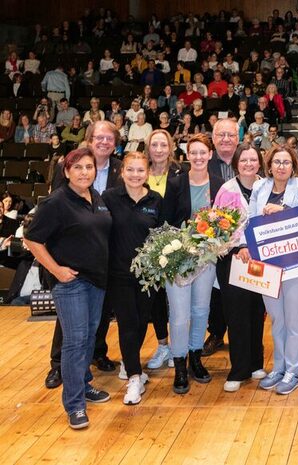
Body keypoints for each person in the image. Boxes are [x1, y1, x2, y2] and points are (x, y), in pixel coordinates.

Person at [25, 148, 113, 429]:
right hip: (71, 283)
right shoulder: (57, 202)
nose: (85, 172)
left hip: (97, 280)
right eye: (78, 168)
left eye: (89, 167)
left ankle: (84, 384)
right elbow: (32, 239)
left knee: (88, 337)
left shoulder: (94, 197)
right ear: (66, 172)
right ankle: (74, 404)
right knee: (75, 342)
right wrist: (56, 270)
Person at [45, 121, 123, 390]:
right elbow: (54, 205)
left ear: (115, 143)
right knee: (70, 322)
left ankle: (96, 354)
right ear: (89, 140)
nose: (104, 142)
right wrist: (56, 266)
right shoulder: (68, 166)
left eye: (109, 138)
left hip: (102, 250)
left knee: (97, 313)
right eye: (99, 138)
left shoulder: (118, 168)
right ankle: (58, 365)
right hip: (70, 258)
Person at [242, 145, 298, 395]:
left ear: (294, 166)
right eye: (277, 162)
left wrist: (282, 211)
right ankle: (279, 367)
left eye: (286, 162)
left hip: (297, 264)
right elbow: (250, 221)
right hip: (267, 264)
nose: (281, 166)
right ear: (269, 166)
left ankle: (294, 370)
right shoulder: (259, 188)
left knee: (294, 320)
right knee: (277, 320)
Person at [162, 133, 224, 394]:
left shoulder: (220, 184)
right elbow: (164, 222)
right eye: (193, 152)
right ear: (188, 156)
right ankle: (179, 365)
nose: (198, 157)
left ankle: (195, 358)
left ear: (211, 155)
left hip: (207, 260)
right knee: (179, 316)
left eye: (203, 152)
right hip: (178, 259)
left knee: (201, 311)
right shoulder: (175, 183)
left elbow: (225, 222)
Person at [102, 152, 163, 405]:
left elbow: (162, 236)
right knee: (127, 323)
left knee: (140, 323)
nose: (135, 175)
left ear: (147, 173)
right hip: (119, 274)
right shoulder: (108, 198)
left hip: (148, 276)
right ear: (122, 172)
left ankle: (131, 364)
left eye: (140, 170)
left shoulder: (155, 200)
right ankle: (135, 377)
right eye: (131, 170)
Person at [213, 143, 267, 392]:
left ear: (259, 162)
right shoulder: (227, 189)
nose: (248, 164)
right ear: (236, 163)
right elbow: (218, 228)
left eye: (253, 160)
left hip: (261, 260)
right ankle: (239, 369)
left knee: (257, 312)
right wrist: (239, 247)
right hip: (234, 259)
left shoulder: (266, 186)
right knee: (237, 315)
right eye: (243, 160)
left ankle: (256, 363)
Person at [141, 130, 182, 370]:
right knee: (155, 300)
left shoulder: (180, 173)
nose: (158, 149)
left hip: (175, 244)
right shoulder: (140, 171)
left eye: (162, 145)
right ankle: (163, 344)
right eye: (154, 145)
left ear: (170, 147)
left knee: (177, 299)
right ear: (148, 148)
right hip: (147, 245)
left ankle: (179, 346)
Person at [201, 118, 241, 356]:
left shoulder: (247, 159)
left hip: (242, 239)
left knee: (240, 287)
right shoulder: (203, 162)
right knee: (214, 289)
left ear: (238, 138)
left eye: (231, 135)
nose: (226, 139)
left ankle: (240, 333)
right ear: (213, 139)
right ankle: (216, 333)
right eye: (221, 135)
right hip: (212, 237)